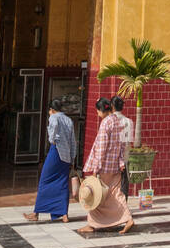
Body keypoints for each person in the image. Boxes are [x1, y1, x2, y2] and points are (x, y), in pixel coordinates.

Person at [79, 98, 134, 237]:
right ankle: (128, 219)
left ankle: (91, 224)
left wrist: (96, 167)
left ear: (102, 110)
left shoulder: (106, 123)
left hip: (105, 166)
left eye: (97, 111)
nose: (97, 114)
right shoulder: (118, 121)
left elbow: (102, 147)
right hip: (115, 165)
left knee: (97, 195)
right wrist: (121, 163)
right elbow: (123, 144)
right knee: (116, 194)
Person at [24, 97, 77, 224]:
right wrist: (72, 158)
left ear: (52, 109)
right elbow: (73, 141)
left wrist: (52, 140)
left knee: (45, 180)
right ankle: (64, 214)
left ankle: (36, 212)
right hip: (66, 156)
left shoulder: (54, 117)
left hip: (56, 151)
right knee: (62, 182)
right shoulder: (68, 120)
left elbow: (51, 136)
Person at [112, 94, 134, 202]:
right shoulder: (129, 122)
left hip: (111, 157)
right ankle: (123, 204)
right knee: (124, 182)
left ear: (112, 106)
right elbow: (129, 141)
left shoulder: (109, 121)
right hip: (125, 156)